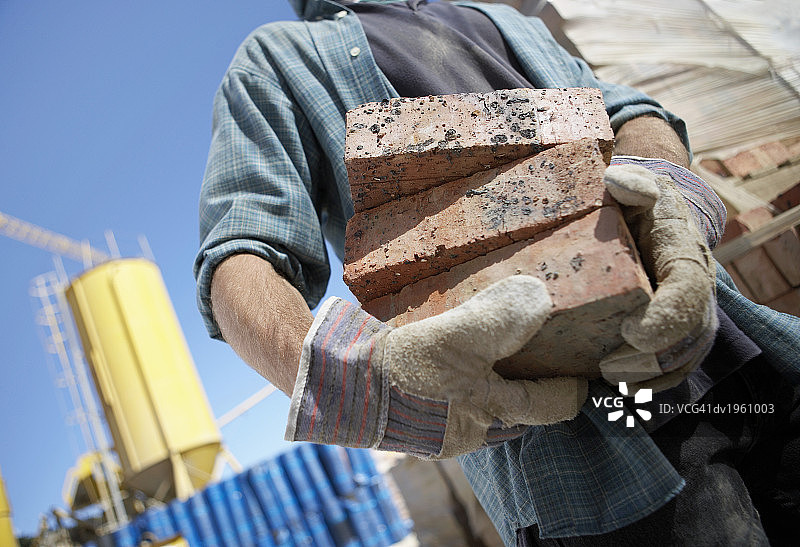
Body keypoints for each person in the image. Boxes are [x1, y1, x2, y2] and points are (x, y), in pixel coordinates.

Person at [194, 1, 800, 545]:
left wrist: (671, 195)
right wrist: (364, 381)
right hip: (585, 457)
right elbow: (241, 251)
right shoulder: (277, 57)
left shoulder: (507, 21)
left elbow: (632, 113)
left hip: (729, 357)